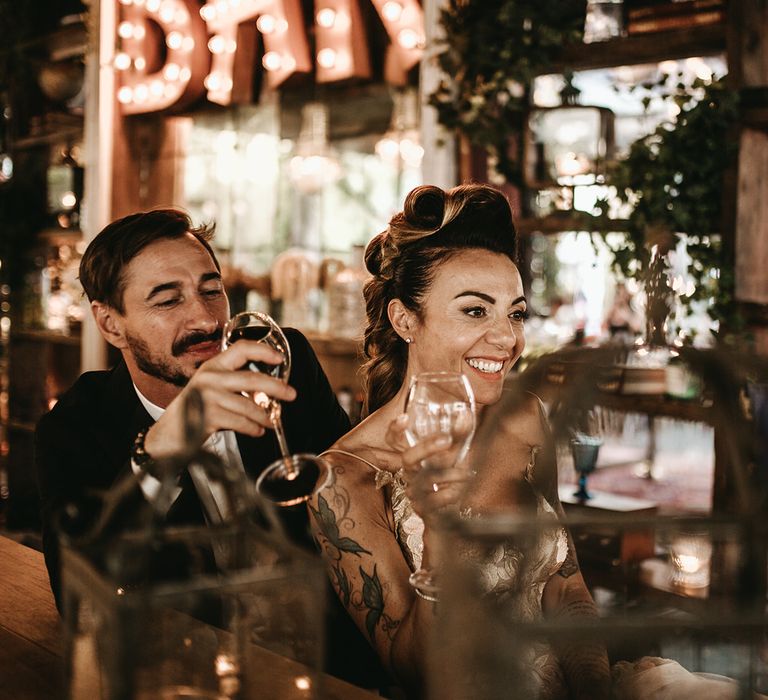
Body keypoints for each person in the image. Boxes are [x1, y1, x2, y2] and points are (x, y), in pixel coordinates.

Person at [34, 209, 384, 688]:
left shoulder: (282, 360)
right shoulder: (75, 424)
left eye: (211, 289)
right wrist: (163, 447)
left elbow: (345, 494)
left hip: (318, 665)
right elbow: (78, 597)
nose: (203, 318)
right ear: (111, 324)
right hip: (182, 674)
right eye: (167, 300)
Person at [308, 184, 611, 699]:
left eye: (515, 313)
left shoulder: (525, 416)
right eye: (476, 311)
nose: (508, 339)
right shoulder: (344, 477)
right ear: (405, 319)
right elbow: (414, 670)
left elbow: (566, 586)